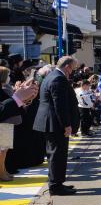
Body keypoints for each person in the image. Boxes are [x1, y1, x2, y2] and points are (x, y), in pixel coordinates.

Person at [33, 56, 80, 195]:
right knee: (57, 154)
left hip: (51, 122)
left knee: (56, 154)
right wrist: (66, 125)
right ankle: (55, 186)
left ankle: (57, 182)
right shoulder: (58, 78)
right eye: (72, 68)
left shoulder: (52, 75)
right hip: (54, 123)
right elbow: (59, 105)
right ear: (67, 66)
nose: (72, 72)